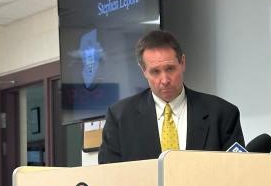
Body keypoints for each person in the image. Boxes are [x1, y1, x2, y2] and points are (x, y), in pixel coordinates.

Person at [98, 30, 244, 163]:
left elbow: (236, 175)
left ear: (183, 63)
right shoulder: (120, 117)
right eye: (155, 72)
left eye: (170, 69)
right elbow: (110, 179)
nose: (165, 80)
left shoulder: (222, 113)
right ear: (143, 71)